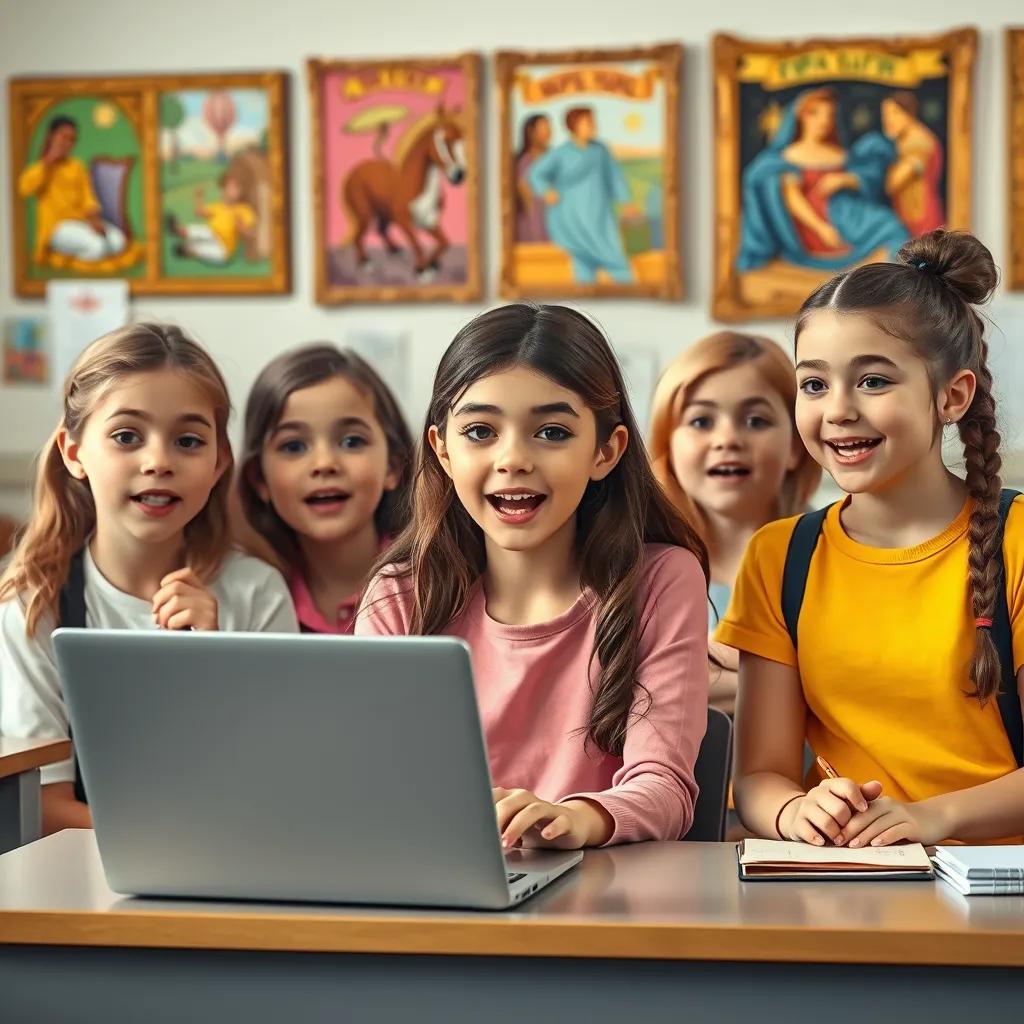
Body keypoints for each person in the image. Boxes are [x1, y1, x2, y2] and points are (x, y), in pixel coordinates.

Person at [356, 303, 709, 848]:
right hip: (436, 900)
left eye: (550, 432)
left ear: (606, 451)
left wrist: (574, 820)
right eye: (479, 431)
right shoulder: (401, 594)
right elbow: (371, 785)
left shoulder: (660, 580)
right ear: (442, 450)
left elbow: (663, 786)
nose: (513, 458)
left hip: (600, 904)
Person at [718, 230, 1024, 847]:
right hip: (850, 881)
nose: (837, 410)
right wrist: (793, 813)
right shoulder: (779, 556)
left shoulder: (1016, 541)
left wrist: (930, 818)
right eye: (814, 384)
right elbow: (760, 775)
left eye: (874, 382)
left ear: (952, 396)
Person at [0, 323, 298, 836]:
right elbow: (42, 808)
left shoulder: (256, 593)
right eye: (126, 436)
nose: (158, 461)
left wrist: (215, 660)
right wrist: (178, 845)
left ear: (218, 461)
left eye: (187, 440)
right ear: (74, 453)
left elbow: (282, 784)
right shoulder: (33, 606)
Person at [648, 332, 820, 715]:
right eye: (701, 421)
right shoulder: (635, 568)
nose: (727, 439)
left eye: (755, 421)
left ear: (795, 444)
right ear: (667, 443)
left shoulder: (832, 560)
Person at [236, 345, 413, 634]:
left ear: (393, 467)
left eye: (351, 442)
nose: (324, 464)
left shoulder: (436, 585)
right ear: (259, 478)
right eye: (293, 446)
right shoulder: (249, 600)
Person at [738, 88, 909, 272]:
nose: (824, 121)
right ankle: (858, 275)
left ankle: (867, 274)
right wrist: (822, 228)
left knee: (893, 228)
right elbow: (793, 200)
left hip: (849, 213)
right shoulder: (788, 156)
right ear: (800, 117)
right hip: (816, 223)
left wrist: (845, 179)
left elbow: (867, 178)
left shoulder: (838, 153)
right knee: (889, 228)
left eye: (829, 114)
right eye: (815, 113)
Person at [527, 108, 634, 283]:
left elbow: (614, 176)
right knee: (582, 259)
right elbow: (536, 174)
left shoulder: (600, 150)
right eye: (587, 122)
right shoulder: (561, 153)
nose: (592, 126)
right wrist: (546, 190)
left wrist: (625, 201)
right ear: (574, 126)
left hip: (599, 214)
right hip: (570, 215)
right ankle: (583, 299)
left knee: (614, 256)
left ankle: (629, 289)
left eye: (593, 122)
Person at [17, 115, 128, 264]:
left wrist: (95, 221)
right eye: (63, 137)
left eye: (71, 140)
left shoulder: (76, 166)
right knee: (98, 248)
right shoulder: (40, 167)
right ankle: (59, 258)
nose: (67, 143)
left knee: (118, 242)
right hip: (56, 228)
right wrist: (49, 161)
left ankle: (72, 253)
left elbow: (88, 198)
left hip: (81, 223)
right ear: (51, 137)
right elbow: (25, 189)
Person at [881, 92, 945, 237]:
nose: (888, 120)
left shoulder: (918, 143)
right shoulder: (904, 140)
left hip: (921, 218)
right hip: (910, 216)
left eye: (894, 113)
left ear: (908, 113)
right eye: (884, 115)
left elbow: (894, 182)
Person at [166, 169, 256, 265]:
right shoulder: (218, 206)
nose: (231, 190)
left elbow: (250, 234)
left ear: (240, 192)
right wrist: (198, 198)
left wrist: (241, 225)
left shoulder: (244, 210)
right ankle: (179, 231)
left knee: (214, 252)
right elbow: (199, 213)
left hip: (224, 247)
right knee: (201, 230)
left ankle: (188, 249)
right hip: (211, 233)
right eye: (228, 187)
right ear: (223, 191)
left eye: (235, 187)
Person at [514, 113, 551, 243]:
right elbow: (524, 193)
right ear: (531, 132)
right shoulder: (523, 162)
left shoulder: (553, 159)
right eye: (543, 128)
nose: (548, 133)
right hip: (531, 223)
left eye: (548, 128)